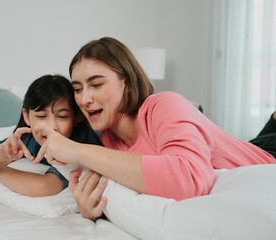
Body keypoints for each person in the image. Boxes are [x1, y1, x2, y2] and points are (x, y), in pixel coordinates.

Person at [31, 37, 276, 220]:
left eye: (96, 84)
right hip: (242, 149)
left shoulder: (164, 104)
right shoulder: (106, 139)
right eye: (77, 88)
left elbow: (189, 180)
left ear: (126, 83)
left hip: (267, 156)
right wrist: (90, 210)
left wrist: (78, 150)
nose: (84, 99)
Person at [0, 74, 101, 197]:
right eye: (41, 116)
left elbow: (45, 187)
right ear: (27, 117)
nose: (52, 126)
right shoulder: (26, 138)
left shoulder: (78, 145)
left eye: (62, 116)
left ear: (75, 118)